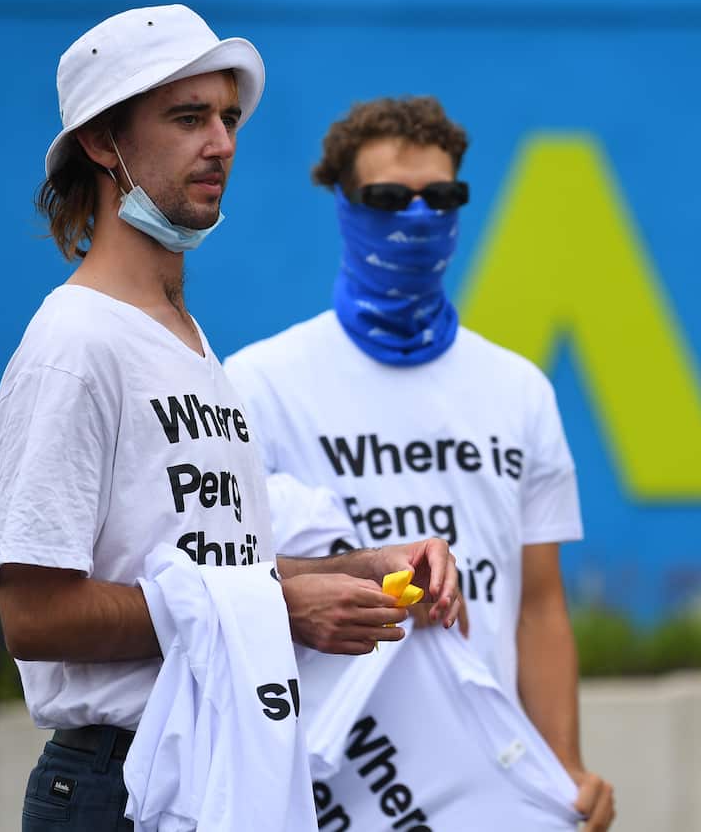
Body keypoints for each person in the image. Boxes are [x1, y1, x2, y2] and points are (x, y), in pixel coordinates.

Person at [0, 9, 459, 831]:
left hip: (210, 768)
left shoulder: (190, 344)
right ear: (104, 142)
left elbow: (206, 568)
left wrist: (355, 571)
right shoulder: (75, 342)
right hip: (115, 783)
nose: (222, 143)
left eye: (228, 117)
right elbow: (34, 614)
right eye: (187, 118)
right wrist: (280, 610)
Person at [224, 95, 615, 830]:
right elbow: (230, 585)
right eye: (388, 198)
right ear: (344, 204)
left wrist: (562, 764)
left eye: (441, 198)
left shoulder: (519, 390)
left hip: (486, 791)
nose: (418, 218)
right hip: (329, 789)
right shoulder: (257, 384)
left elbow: (539, 604)